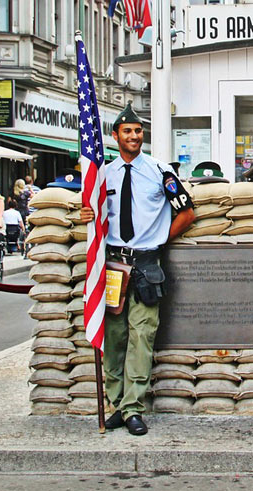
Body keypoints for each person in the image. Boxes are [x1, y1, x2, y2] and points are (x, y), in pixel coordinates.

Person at [79, 104, 195, 436]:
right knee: (114, 338)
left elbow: (186, 213)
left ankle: (132, 407)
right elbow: (94, 213)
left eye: (138, 130)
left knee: (142, 336)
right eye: (127, 131)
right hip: (113, 264)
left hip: (145, 263)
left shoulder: (160, 172)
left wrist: (158, 241)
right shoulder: (103, 175)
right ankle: (117, 403)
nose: (133, 136)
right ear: (115, 136)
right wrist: (86, 216)